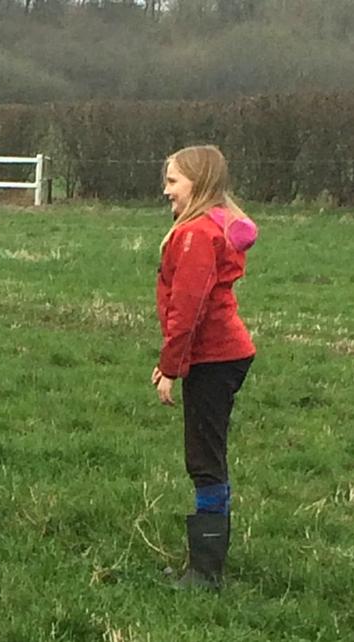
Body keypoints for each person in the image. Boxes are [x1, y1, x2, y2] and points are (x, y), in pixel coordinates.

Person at [154, 145, 257, 590]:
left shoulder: (196, 233)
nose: (166, 190)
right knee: (206, 454)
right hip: (223, 352)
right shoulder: (212, 227)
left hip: (213, 356)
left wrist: (170, 367)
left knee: (204, 458)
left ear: (199, 183)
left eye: (174, 181)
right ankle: (204, 564)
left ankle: (206, 572)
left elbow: (187, 308)